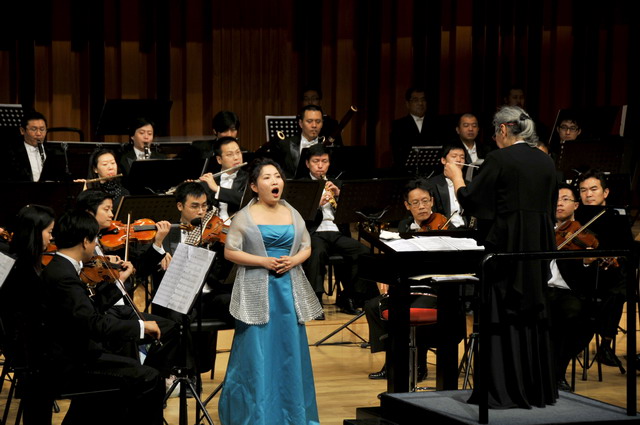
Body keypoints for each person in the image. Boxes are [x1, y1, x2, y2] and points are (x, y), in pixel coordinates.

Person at [444, 105, 558, 409]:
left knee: (502, 313)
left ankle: (503, 390)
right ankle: (535, 389)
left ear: (504, 129)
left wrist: (457, 177)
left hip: (506, 248)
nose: (494, 139)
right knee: (530, 313)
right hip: (536, 250)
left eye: (495, 132)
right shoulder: (545, 161)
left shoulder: (499, 158)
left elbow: (472, 202)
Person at [218, 158, 322, 425]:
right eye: (267, 177)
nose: (275, 181)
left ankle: (292, 415)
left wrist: (294, 260)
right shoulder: (245, 216)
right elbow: (230, 251)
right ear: (254, 186)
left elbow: (306, 247)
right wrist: (263, 261)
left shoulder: (292, 212)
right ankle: (257, 417)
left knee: (289, 352)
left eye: (277, 176)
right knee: (256, 353)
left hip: (287, 291)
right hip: (256, 290)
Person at [41, 210, 165, 424]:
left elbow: (89, 309)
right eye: (94, 239)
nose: (96, 245)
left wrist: (119, 282)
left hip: (71, 354)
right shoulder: (64, 276)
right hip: (70, 365)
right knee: (150, 378)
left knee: (130, 364)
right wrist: (141, 327)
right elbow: (94, 323)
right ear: (85, 241)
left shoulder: (61, 268)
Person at [365, 180, 439, 381]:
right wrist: (387, 278)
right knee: (373, 306)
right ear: (407, 206)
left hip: (433, 289)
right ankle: (392, 360)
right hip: (407, 287)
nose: (422, 206)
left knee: (411, 310)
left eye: (425, 201)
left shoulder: (443, 225)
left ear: (432, 201)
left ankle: (419, 364)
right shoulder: (404, 226)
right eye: (415, 202)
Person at [301, 143, 373, 315]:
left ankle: (349, 296)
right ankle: (315, 302)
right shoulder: (303, 185)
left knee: (362, 251)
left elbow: (353, 213)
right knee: (317, 252)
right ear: (307, 164)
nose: (320, 166)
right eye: (316, 161)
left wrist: (340, 196)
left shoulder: (337, 183)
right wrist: (316, 204)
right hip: (315, 233)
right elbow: (298, 215)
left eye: (324, 161)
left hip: (337, 232)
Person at [0, 205, 56, 424]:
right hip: (31, 353)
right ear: (34, 233)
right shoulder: (23, 270)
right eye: (49, 232)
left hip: (25, 347)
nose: (52, 237)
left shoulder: (14, 260)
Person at [576, 169, 630, 370]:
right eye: (583, 190)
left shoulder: (616, 215)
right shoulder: (576, 214)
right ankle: (581, 334)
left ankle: (605, 344)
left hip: (608, 272)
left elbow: (626, 249)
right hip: (581, 272)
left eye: (593, 189)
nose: (588, 194)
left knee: (619, 289)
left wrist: (614, 257)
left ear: (605, 192)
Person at [548, 183, 597, 391]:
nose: (559, 203)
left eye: (565, 199)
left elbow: (588, 279)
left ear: (576, 205)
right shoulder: (540, 230)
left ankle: (557, 371)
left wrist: (586, 262)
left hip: (567, 292)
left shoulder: (583, 235)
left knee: (581, 322)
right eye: (556, 200)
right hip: (541, 290)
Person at [199, 136, 249, 221]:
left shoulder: (250, 178)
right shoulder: (210, 181)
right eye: (230, 154)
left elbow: (245, 200)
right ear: (219, 159)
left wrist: (217, 189)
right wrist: (191, 189)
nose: (236, 158)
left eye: (238, 152)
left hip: (238, 226)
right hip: (212, 227)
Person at [275, 104, 325, 179]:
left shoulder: (328, 146)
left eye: (318, 121)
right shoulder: (285, 145)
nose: (314, 125)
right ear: (301, 123)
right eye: (309, 121)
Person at [426, 143, 470, 228]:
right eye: (454, 156)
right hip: (444, 229)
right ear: (443, 160)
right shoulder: (431, 184)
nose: (459, 160)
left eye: (462, 157)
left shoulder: (469, 184)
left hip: (466, 229)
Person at [390, 87, 435, 169]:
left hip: (432, 170)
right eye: (415, 100)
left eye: (423, 100)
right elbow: (398, 153)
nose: (420, 103)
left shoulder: (436, 123)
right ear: (407, 104)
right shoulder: (398, 125)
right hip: (405, 171)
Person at [2, 111, 51, 182]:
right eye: (34, 129)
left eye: (42, 129)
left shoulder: (53, 151)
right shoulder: (11, 153)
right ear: (22, 131)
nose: (38, 133)